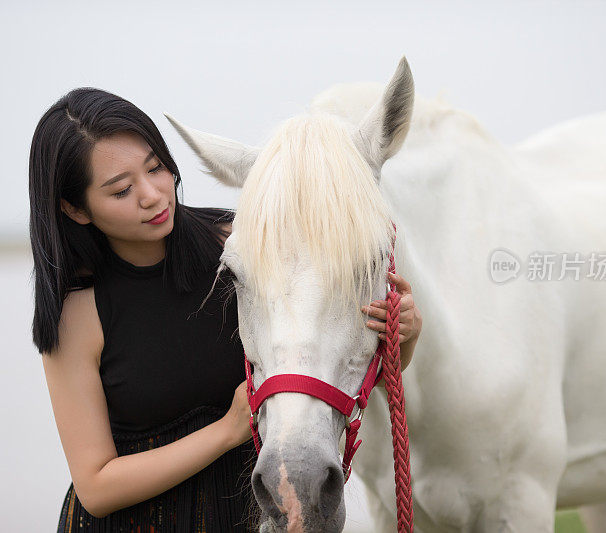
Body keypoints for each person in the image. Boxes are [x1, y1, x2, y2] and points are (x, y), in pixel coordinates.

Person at [29, 87, 423, 532]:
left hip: (253, 513)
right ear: (76, 209)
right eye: (121, 190)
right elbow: (96, 488)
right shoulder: (77, 314)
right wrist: (226, 431)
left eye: (156, 167)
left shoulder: (243, 246)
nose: (153, 195)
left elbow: (334, 361)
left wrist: (402, 338)